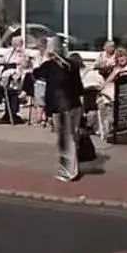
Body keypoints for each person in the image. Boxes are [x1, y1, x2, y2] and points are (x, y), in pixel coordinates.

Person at [29, 37, 83, 183]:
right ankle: (73, 167)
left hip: (61, 107)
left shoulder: (49, 65)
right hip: (75, 104)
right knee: (73, 137)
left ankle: (69, 172)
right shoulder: (73, 64)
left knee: (66, 139)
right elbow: (79, 87)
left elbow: (36, 73)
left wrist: (46, 55)